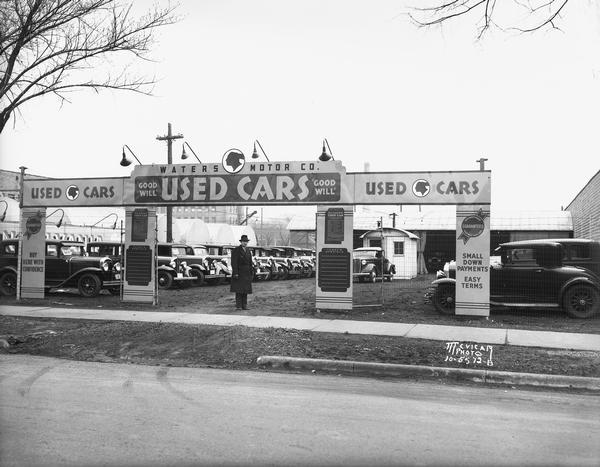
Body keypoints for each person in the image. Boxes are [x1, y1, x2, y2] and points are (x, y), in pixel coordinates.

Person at [230, 234, 255, 310]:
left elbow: (250, 263)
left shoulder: (248, 251)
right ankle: (239, 306)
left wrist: (251, 272)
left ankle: (244, 305)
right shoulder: (236, 250)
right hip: (239, 273)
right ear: (241, 242)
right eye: (244, 241)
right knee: (239, 290)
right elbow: (234, 262)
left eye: (246, 241)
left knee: (245, 290)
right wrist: (236, 273)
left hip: (247, 273)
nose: (245, 243)